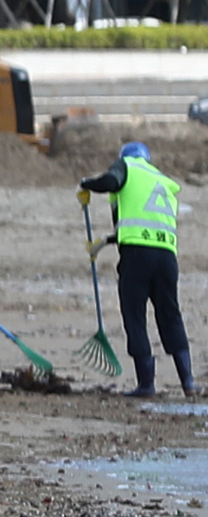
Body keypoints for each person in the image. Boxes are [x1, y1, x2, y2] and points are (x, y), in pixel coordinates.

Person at [80, 140, 195, 398]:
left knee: (134, 316)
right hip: (167, 258)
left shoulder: (126, 166)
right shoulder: (161, 181)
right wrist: (105, 242)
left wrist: (86, 184)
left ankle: (146, 385)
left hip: (136, 257)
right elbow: (145, 223)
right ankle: (188, 382)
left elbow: (110, 182)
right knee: (170, 316)